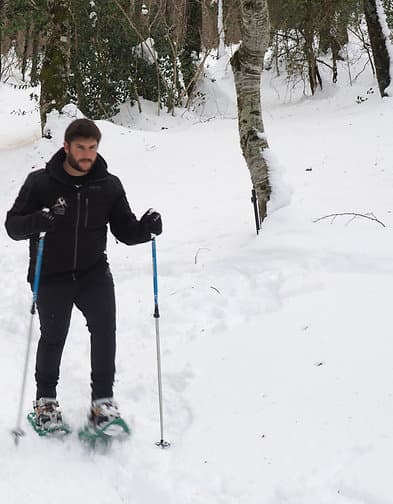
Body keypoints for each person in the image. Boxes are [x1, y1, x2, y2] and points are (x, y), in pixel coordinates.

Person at [5, 118, 162, 431]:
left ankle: (102, 404)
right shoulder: (41, 183)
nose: (88, 154)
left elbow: (125, 230)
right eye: (81, 147)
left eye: (92, 147)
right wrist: (37, 220)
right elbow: (12, 226)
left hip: (93, 273)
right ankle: (45, 402)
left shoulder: (109, 185)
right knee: (53, 337)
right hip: (51, 275)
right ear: (66, 147)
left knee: (105, 333)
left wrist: (147, 229)